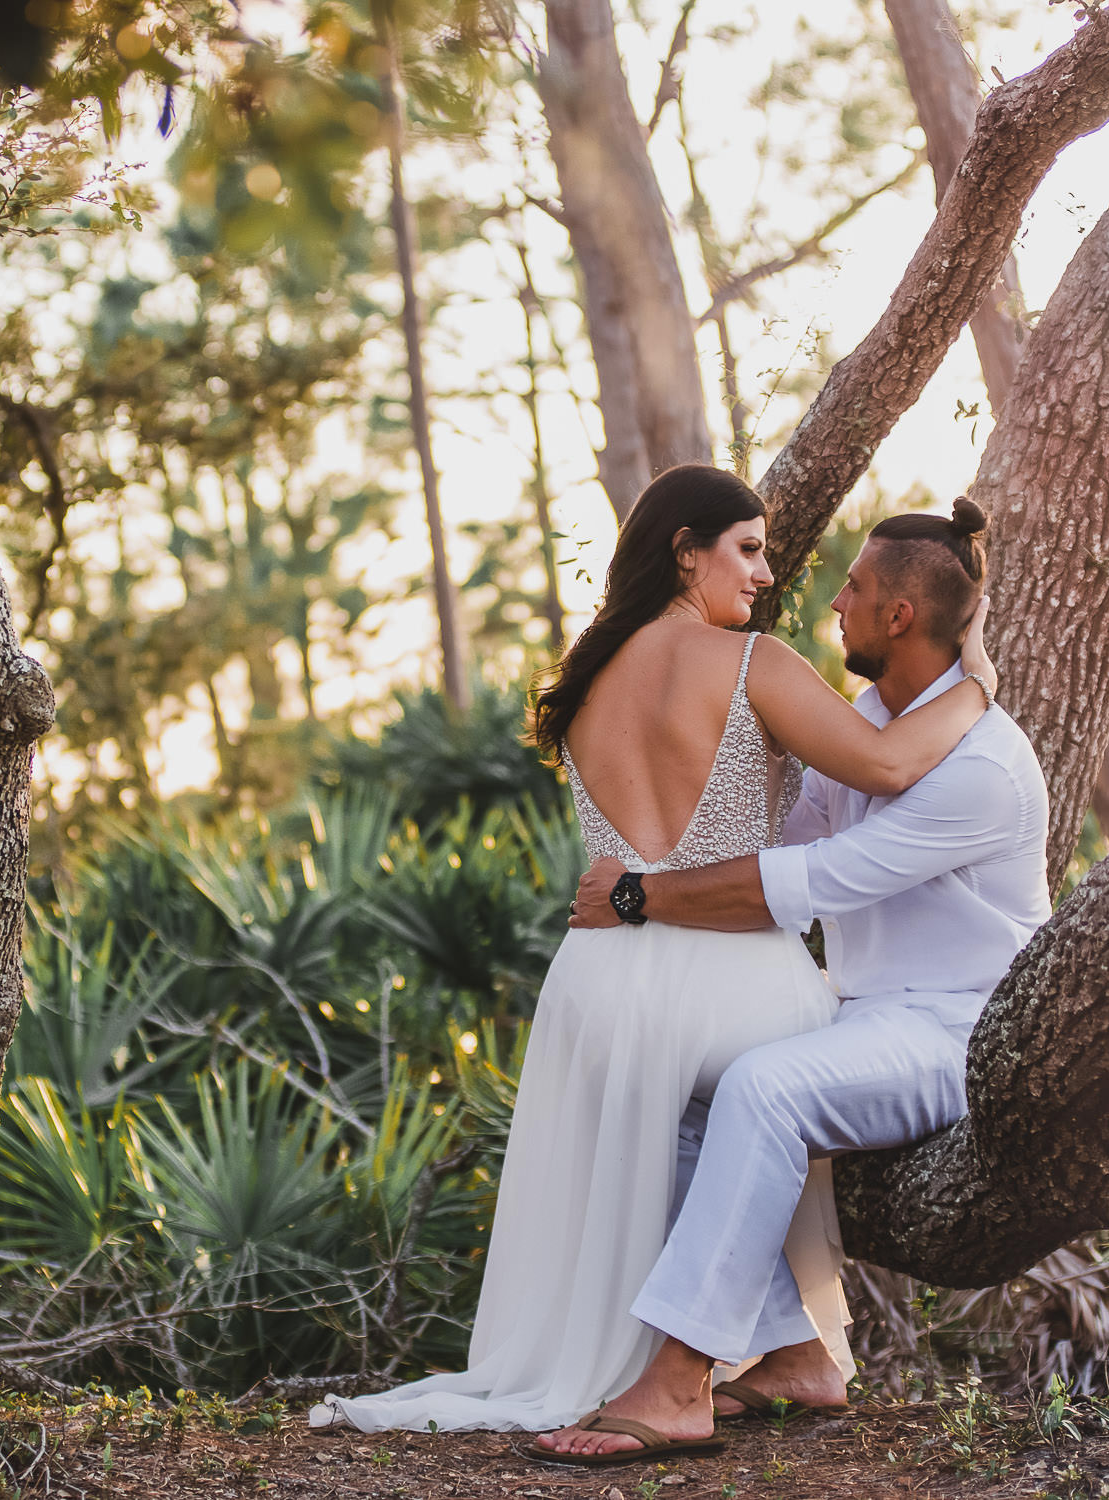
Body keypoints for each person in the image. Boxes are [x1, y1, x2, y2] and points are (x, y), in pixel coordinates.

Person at [311, 465, 995, 1441]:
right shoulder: (751, 663)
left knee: (698, 1108)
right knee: (780, 1068)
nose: (765, 576)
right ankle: (719, 1365)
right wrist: (976, 687)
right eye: (747, 550)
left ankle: (784, 1348)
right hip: (728, 979)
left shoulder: (585, 681)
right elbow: (886, 763)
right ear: (686, 550)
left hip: (600, 982)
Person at [533, 495, 1051, 1463]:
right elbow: (793, 832)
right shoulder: (865, 720)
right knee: (689, 1082)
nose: (830, 603)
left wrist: (641, 896)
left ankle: (681, 1379)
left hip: (959, 1031)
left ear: (898, 617)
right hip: (869, 1019)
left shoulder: (984, 764)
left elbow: (812, 883)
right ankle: (794, 1353)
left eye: (852, 589)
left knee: (765, 1089)